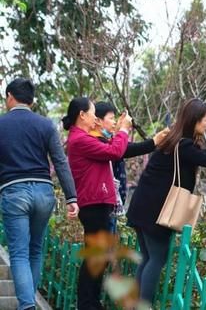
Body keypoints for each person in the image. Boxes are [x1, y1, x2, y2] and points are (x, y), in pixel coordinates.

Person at [126, 98, 206, 304]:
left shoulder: (175, 140)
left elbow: (200, 156)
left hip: (143, 207)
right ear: (194, 121)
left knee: (148, 258)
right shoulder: (183, 144)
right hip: (156, 211)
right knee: (157, 259)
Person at [0, 78, 79, 310]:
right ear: (32, 101)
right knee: (35, 250)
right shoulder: (45, 125)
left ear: (10, 97)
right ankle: (29, 303)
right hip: (44, 193)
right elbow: (60, 162)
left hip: (14, 192)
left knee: (19, 253)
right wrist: (72, 197)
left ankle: (27, 306)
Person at [62, 97, 132, 310]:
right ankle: (87, 304)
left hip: (97, 202)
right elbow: (114, 151)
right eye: (93, 113)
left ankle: (91, 302)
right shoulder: (80, 139)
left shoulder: (82, 138)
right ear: (82, 115)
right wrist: (124, 131)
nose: (95, 117)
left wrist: (118, 132)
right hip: (93, 203)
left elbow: (111, 147)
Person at [90, 101, 169, 233]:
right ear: (98, 121)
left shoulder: (107, 140)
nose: (115, 122)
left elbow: (121, 147)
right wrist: (124, 130)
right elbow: (123, 150)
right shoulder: (96, 141)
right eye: (111, 118)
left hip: (109, 203)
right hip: (101, 204)